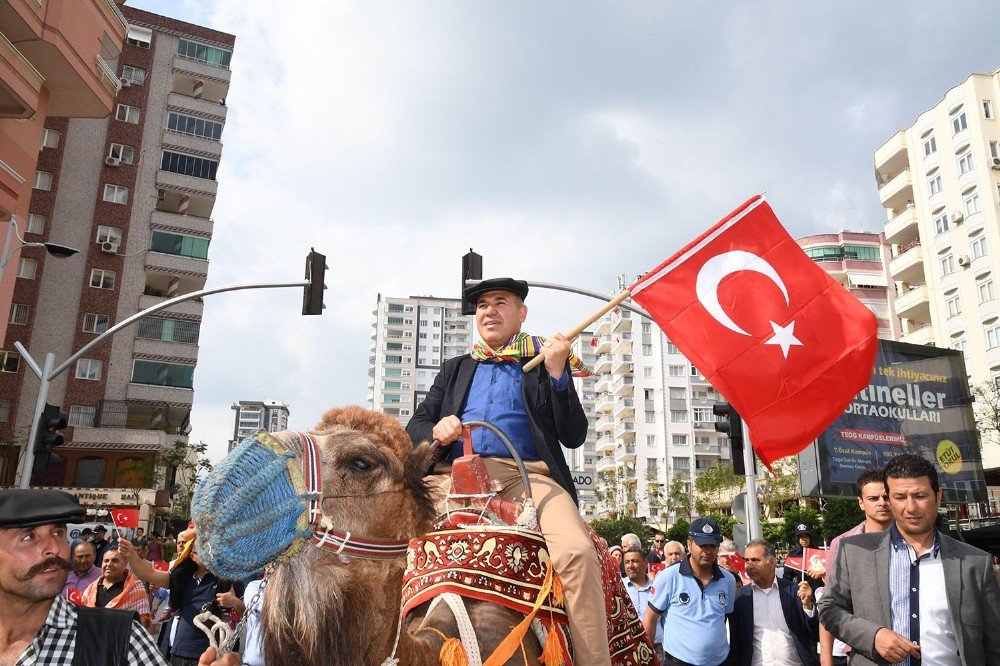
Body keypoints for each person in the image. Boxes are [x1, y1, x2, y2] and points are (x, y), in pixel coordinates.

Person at [406, 276, 612, 664]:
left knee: (578, 552)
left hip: (526, 477)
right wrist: (437, 428)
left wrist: (556, 374)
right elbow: (415, 425)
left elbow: (574, 435)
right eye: (483, 305)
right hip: (451, 478)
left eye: (501, 302)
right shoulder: (455, 369)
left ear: (522, 314)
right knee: (385, 537)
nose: (489, 311)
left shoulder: (542, 363)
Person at [0, 488, 234, 665]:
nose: (54, 547)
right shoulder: (181, 575)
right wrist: (131, 554)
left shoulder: (122, 639)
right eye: (29, 536)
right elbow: (151, 573)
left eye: (59, 532)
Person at [818, 454, 1000, 665]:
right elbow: (829, 609)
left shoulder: (975, 563)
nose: (911, 508)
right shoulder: (854, 552)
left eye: (920, 495)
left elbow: (994, 645)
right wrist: (873, 635)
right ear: (890, 499)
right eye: (900, 497)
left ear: (938, 496)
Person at [119, 530, 245, 666]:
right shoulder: (181, 578)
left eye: (212, 549)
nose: (210, 554)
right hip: (178, 651)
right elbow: (149, 573)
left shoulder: (227, 580)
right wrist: (131, 554)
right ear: (192, 555)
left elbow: (246, 615)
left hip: (210, 655)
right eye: (204, 550)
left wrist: (234, 602)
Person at [816, 468, 893, 666]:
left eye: (886, 497)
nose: (882, 503)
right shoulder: (843, 543)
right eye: (874, 498)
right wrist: (826, 659)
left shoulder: (912, 540)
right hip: (863, 652)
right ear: (861, 502)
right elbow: (831, 604)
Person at [643, 517, 736, 666]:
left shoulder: (728, 580)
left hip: (720, 662)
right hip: (678, 662)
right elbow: (650, 619)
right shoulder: (669, 577)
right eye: (702, 545)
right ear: (689, 544)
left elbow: (725, 619)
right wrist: (646, 659)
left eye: (712, 546)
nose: (707, 551)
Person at [728, 539, 818, 665]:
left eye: (755, 560)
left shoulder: (795, 592)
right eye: (746, 560)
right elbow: (735, 641)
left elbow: (816, 633)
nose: (749, 565)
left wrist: (808, 607)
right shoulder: (740, 598)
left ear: (772, 562)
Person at [82, 547, 152, 629]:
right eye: (106, 561)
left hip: (121, 640)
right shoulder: (91, 589)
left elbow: (144, 623)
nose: (109, 564)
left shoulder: (135, 588)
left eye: (115, 561)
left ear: (125, 564)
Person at [622, 547, 661, 657]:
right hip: (628, 647)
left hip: (656, 647)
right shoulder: (618, 587)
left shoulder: (658, 587)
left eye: (635, 561)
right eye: (627, 562)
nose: (630, 566)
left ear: (645, 563)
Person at [782, 523, 822, 591]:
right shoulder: (793, 556)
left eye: (806, 536)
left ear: (810, 537)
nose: (804, 539)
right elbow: (787, 578)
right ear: (797, 538)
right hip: (802, 594)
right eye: (801, 536)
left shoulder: (819, 553)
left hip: (820, 593)